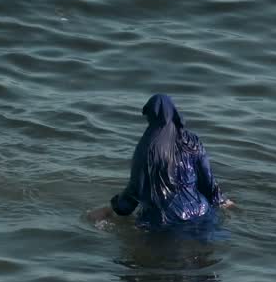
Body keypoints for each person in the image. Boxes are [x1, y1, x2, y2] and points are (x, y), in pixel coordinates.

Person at [90, 94, 234, 226]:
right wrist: (222, 201)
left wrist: (112, 210)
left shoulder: (146, 148)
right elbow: (207, 179)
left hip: (163, 220)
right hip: (201, 211)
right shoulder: (192, 141)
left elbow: (135, 191)